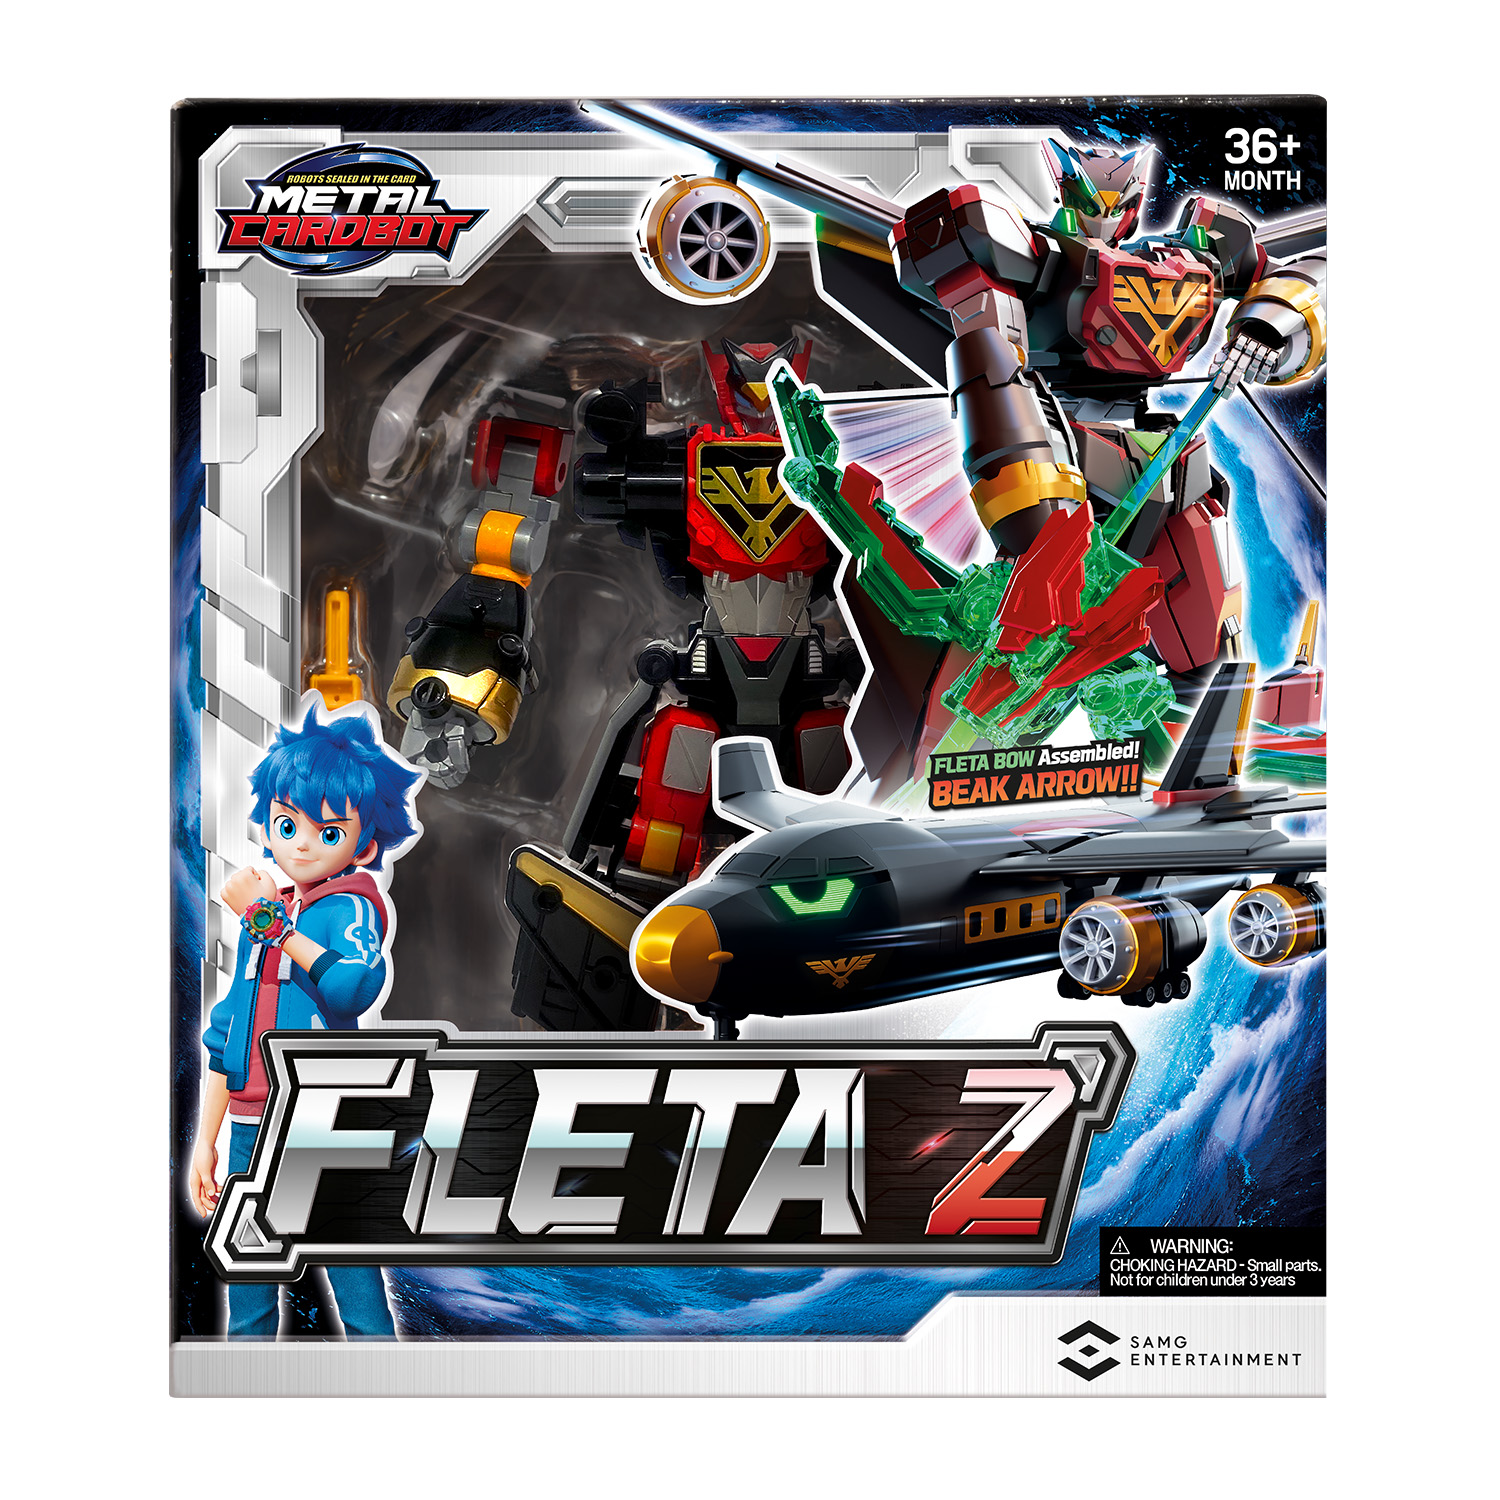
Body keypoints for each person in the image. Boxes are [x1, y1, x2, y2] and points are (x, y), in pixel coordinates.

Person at [189, 694, 424, 1339]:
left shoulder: (347, 907)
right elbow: (229, 1033)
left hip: (319, 1118)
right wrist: (205, 1140)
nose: (303, 846)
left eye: (330, 833)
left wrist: (269, 922)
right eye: (287, 824)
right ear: (267, 821)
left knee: (355, 1288)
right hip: (249, 1124)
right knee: (249, 1291)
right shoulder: (276, 913)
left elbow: (353, 988)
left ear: (364, 843)